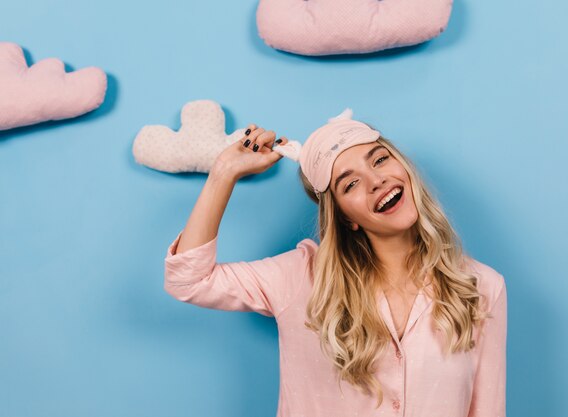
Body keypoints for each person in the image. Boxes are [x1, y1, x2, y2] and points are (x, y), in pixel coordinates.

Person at [163, 109, 507, 417]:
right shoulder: (299, 277)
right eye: (351, 183)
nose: (377, 181)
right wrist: (225, 171)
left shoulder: (482, 286)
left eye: (380, 160)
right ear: (344, 218)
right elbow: (188, 280)